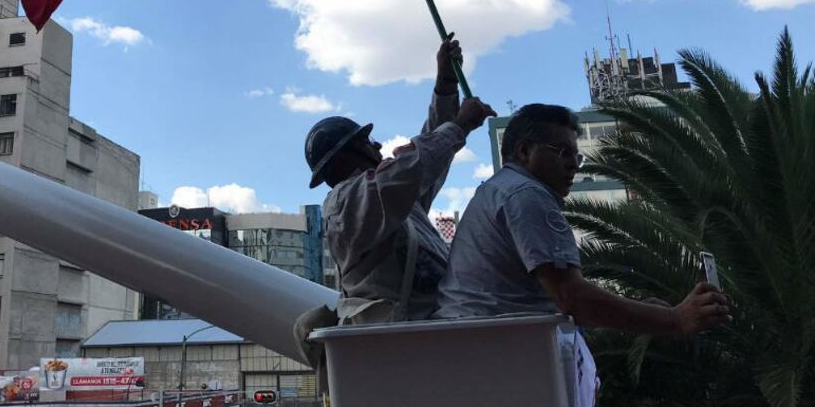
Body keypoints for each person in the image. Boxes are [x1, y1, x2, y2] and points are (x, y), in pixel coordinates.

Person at [433, 104, 729, 403]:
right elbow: (574, 299)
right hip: (501, 365)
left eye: (577, 155)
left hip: (480, 360)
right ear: (525, 151)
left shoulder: (500, 190)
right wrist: (674, 319)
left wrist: (641, 310)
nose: (574, 164)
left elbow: (551, 299)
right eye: (562, 152)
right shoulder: (526, 195)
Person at [304, 36, 495, 322]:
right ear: (344, 157)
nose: (377, 145)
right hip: (399, 347)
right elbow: (411, 168)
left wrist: (445, 85)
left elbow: (424, 164)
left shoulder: (390, 206)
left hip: (416, 340)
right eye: (366, 141)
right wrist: (459, 126)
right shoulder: (347, 203)